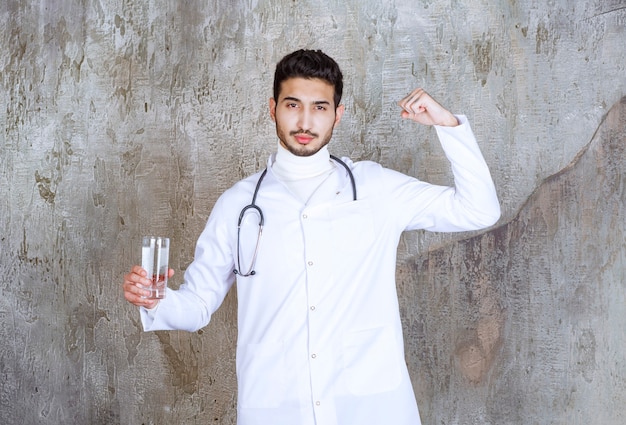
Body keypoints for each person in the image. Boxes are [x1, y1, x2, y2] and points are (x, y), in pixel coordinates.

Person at [123, 49, 500, 425]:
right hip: (277, 409)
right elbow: (197, 305)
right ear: (272, 109)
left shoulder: (376, 189)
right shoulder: (238, 205)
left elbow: (479, 209)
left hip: (371, 409)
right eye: (292, 105)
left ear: (338, 114)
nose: (305, 121)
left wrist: (446, 125)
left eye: (319, 107)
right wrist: (155, 301)